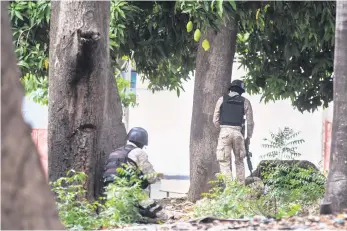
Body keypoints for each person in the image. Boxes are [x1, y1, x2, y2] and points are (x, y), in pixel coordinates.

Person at [212, 79, 254, 184]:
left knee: (224, 162)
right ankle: (240, 190)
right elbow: (250, 122)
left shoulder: (221, 100)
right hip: (238, 133)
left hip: (224, 132)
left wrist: (222, 129)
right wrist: (248, 137)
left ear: (230, 89)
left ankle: (230, 189)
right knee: (239, 162)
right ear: (241, 91)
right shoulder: (245, 101)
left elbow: (215, 120)